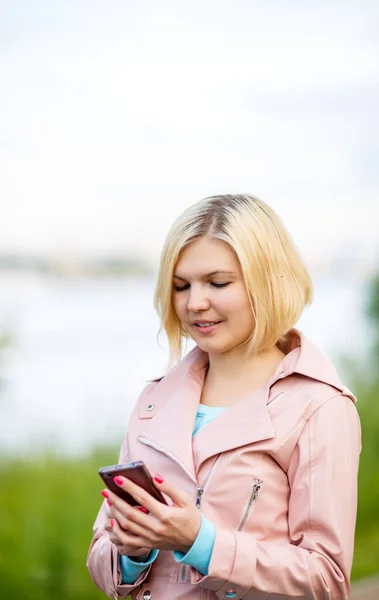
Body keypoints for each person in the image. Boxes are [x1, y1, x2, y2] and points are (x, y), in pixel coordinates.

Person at [87, 194, 361, 600]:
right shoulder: (153, 401)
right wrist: (134, 550)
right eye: (181, 286)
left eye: (218, 283)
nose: (195, 303)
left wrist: (201, 542)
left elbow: (326, 580)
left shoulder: (318, 407)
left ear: (268, 281)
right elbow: (102, 560)